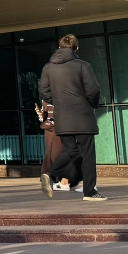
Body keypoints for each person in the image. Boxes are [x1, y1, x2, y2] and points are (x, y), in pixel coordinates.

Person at [38, 34, 105, 201]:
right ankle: (90, 192)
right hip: (83, 117)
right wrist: (91, 104)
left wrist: (59, 103)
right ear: (76, 48)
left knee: (70, 151)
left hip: (62, 117)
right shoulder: (83, 65)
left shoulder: (48, 68)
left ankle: (49, 174)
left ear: (60, 47)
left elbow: (43, 92)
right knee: (87, 154)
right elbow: (93, 90)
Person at [36, 101, 69, 190]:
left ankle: (60, 179)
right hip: (48, 129)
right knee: (50, 153)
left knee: (57, 153)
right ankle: (53, 178)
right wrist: (40, 115)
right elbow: (43, 116)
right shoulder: (45, 99)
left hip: (59, 128)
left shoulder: (60, 95)